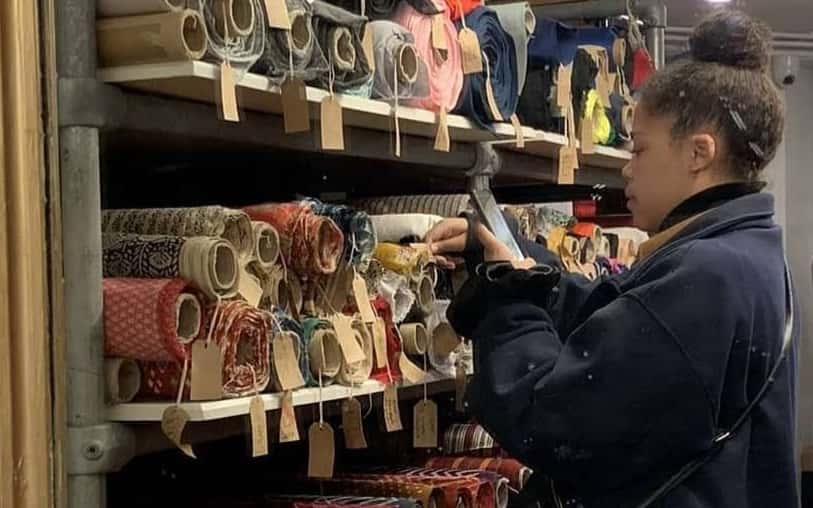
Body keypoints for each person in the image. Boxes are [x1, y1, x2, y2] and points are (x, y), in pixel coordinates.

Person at [425, 9, 797, 508]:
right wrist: (520, 260)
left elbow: (552, 417)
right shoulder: (742, 253)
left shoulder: (708, 275)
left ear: (699, 153)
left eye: (640, 149)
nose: (627, 168)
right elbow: (622, 316)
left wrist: (506, 302)